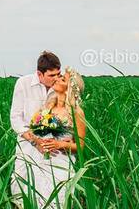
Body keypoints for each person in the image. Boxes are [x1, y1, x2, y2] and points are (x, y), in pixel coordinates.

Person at [10, 55, 86, 208]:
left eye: (60, 77)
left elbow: (80, 145)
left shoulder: (76, 112)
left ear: (70, 87)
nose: (56, 79)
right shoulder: (46, 105)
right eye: (53, 76)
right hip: (34, 157)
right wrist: (36, 139)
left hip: (60, 163)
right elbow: (18, 121)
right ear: (40, 74)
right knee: (27, 197)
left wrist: (60, 144)